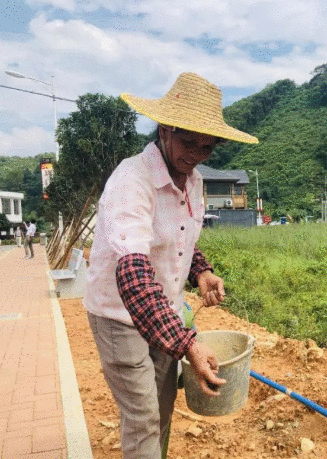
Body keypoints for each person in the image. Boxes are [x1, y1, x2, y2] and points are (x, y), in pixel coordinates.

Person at [83, 72, 258, 459]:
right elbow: (133, 275)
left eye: (207, 147)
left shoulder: (191, 180)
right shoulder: (132, 180)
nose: (195, 153)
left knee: (161, 409)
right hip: (119, 316)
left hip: (164, 311)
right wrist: (188, 343)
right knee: (143, 415)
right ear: (165, 129)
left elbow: (179, 237)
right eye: (187, 142)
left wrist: (203, 272)